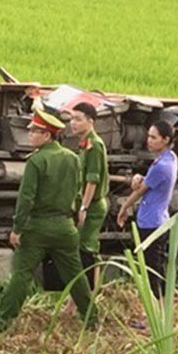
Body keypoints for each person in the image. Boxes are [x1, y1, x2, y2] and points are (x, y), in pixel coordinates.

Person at [0, 109, 94, 332]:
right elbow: (77, 192)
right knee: (76, 276)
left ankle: (3, 321)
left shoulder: (36, 161)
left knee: (21, 275)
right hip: (65, 228)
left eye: (35, 131)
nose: (29, 135)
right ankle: (91, 318)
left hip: (37, 228)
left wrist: (17, 229)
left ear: (47, 135)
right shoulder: (72, 158)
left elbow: (26, 198)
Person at [116, 121, 178, 299]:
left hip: (151, 223)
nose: (149, 141)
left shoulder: (161, 166)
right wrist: (140, 178)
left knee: (152, 270)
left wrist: (124, 207)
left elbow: (140, 191)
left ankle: (156, 313)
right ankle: (162, 311)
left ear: (165, 139)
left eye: (153, 137)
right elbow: (149, 182)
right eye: (148, 136)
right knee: (157, 267)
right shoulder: (170, 158)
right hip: (158, 219)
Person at [67, 102, 109, 289]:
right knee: (86, 249)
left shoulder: (95, 146)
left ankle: (87, 296)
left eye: (78, 119)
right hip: (87, 204)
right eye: (71, 119)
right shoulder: (85, 144)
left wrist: (83, 207)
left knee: (86, 250)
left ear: (90, 121)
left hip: (92, 205)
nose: (73, 123)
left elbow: (92, 180)